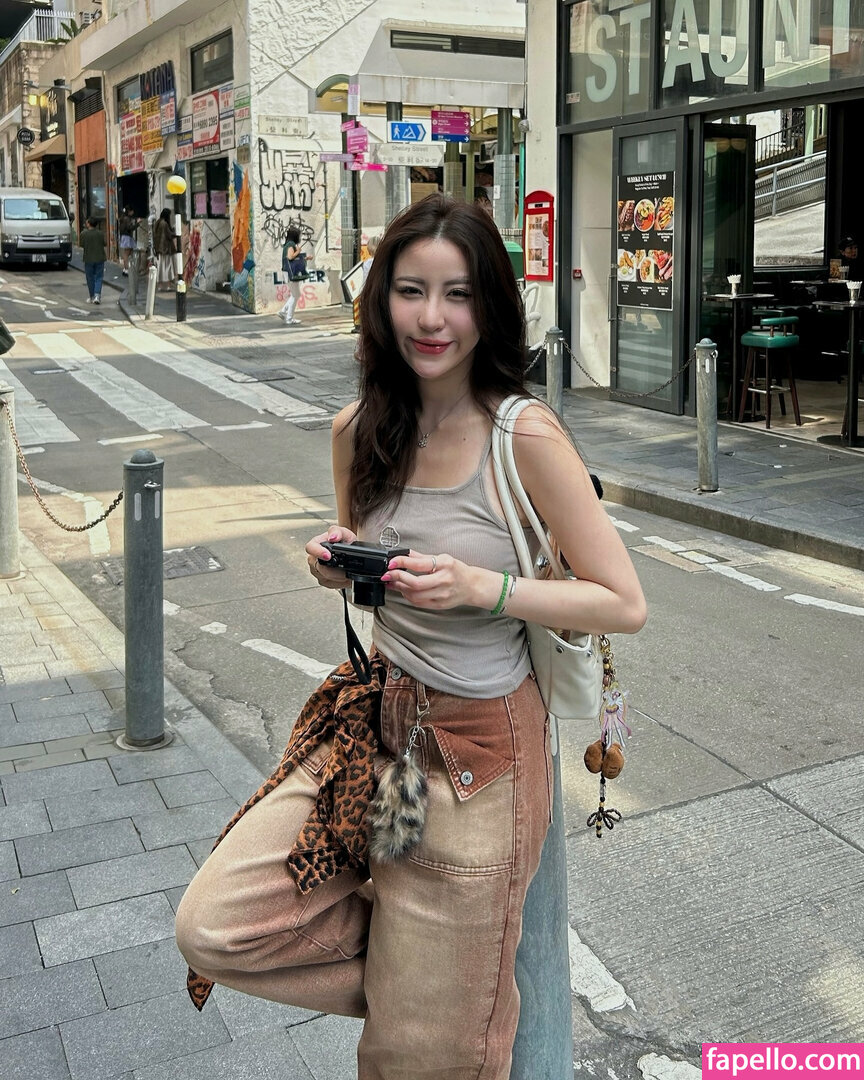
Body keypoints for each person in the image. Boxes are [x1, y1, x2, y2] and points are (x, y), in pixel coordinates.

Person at [175, 194, 647, 1078]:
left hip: (482, 755)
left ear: (489, 306)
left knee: (422, 1062)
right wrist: (337, 566)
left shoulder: (523, 435)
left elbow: (623, 601)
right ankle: (434, 982)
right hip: (372, 725)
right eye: (410, 291)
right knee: (216, 926)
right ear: (379, 300)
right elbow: (371, 570)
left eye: (458, 294)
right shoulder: (358, 431)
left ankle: (449, 997)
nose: (433, 318)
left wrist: (485, 588)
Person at [277, 226, 308, 325]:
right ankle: (289, 318)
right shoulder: (291, 244)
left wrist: (306, 258)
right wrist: (298, 251)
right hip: (290, 273)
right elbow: (290, 257)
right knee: (296, 295)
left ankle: (283, 311)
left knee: (295, 294)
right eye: (299, 235)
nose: (300, 237)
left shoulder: (288, 244)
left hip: (287, 272)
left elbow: (295, 259)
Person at [80, 218, 106, 305]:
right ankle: (97, 295)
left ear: (89, 224)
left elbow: (81, 244)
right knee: (99, 277)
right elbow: (104, 243)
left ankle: (92, 296)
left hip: (88, 258)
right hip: (100, 257)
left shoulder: (84, 234)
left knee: (90, 278)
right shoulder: (100, 233)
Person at [153, 208, 175, 291]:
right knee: (168, 267)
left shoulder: (157, 223)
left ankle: (160, 286)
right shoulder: (164, 224)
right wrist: (175, 232)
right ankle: (168, 286)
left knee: (160, 267)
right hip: (166, 248)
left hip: (158, 248)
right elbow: (169, 235)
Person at [118, 207, 136, 275]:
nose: (133, 212)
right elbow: (130, 228)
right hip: (127, 237)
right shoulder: (127, 219)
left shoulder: (123, 218)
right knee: (127, 253)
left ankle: (126, 268)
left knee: (128, 252)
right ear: (129, 211)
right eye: (132, 211)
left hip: (125, 236)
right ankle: (126, 269)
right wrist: (138, 223)